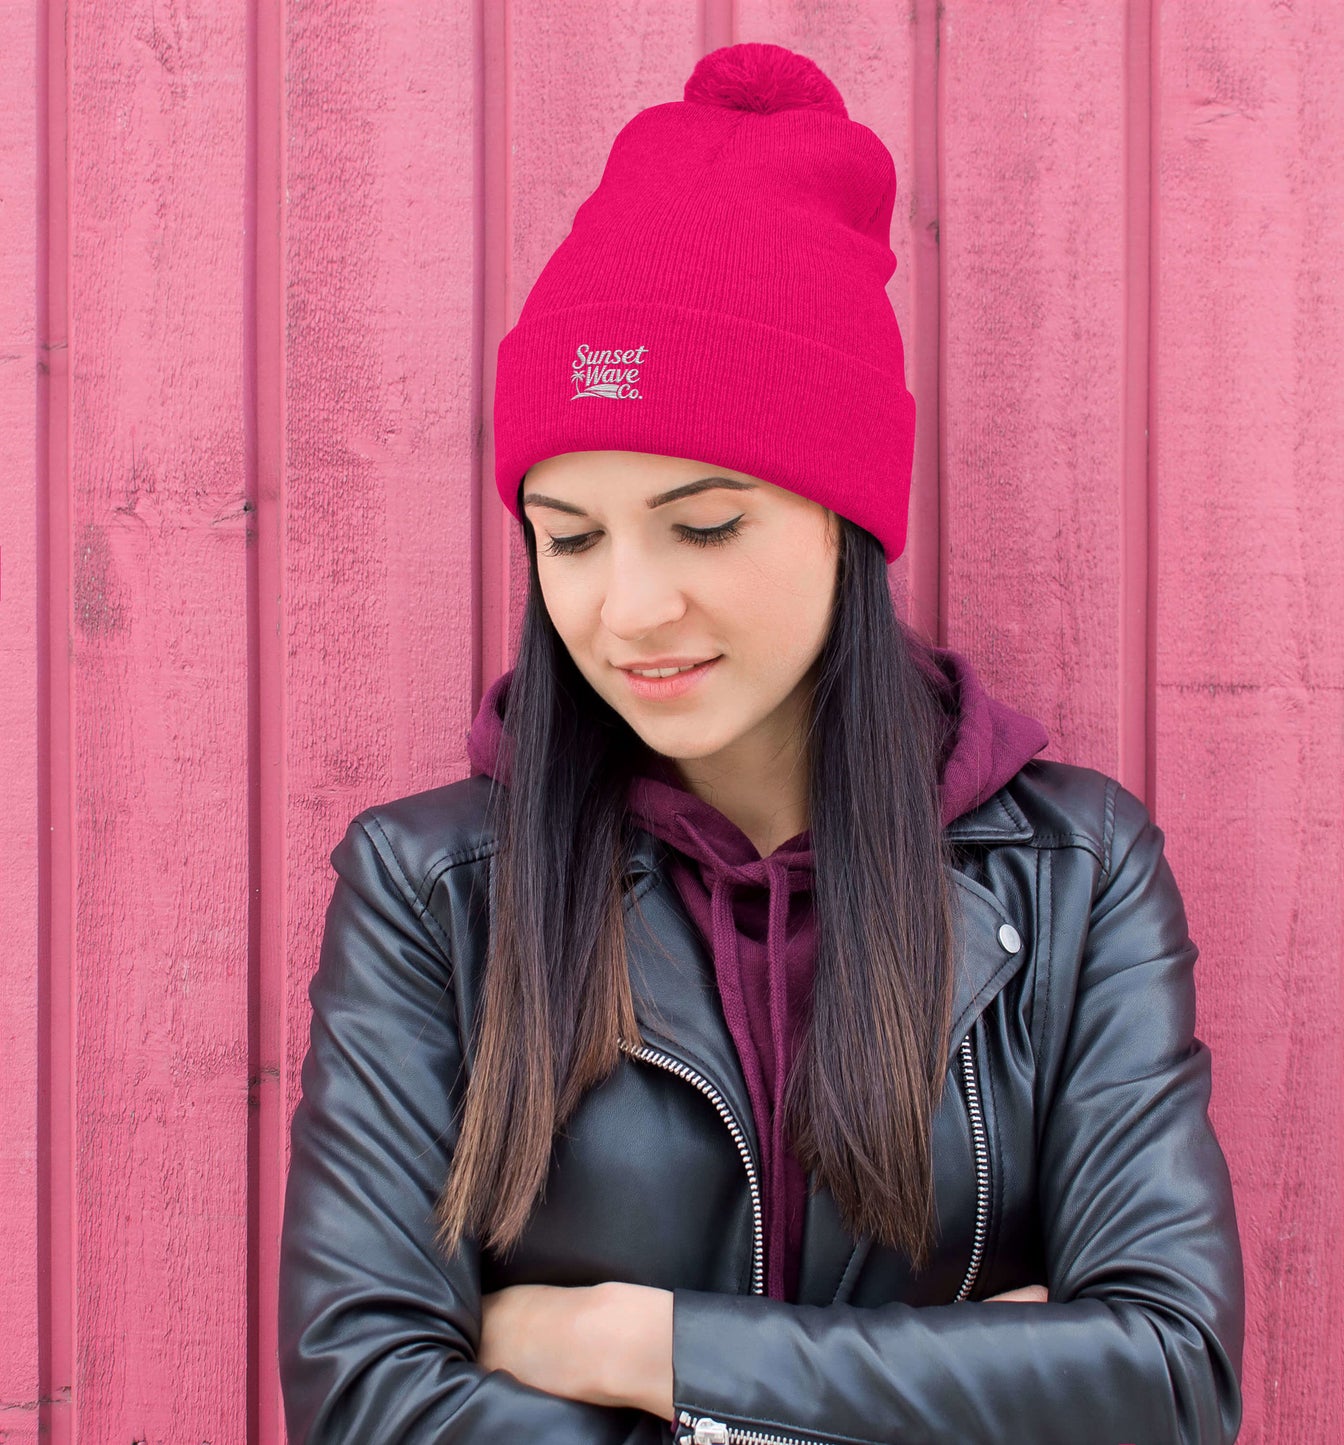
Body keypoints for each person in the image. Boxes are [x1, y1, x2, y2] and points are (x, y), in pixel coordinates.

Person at [278, 40, 1245, 1445]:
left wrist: (629, 1339)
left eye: (705, 523)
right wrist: (964, 1376)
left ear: (844, 520)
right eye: (569, 537)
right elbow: (368, 1400)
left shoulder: (1072, 868)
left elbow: (1164, 1379)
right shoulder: (434, 890)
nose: (629, 606)